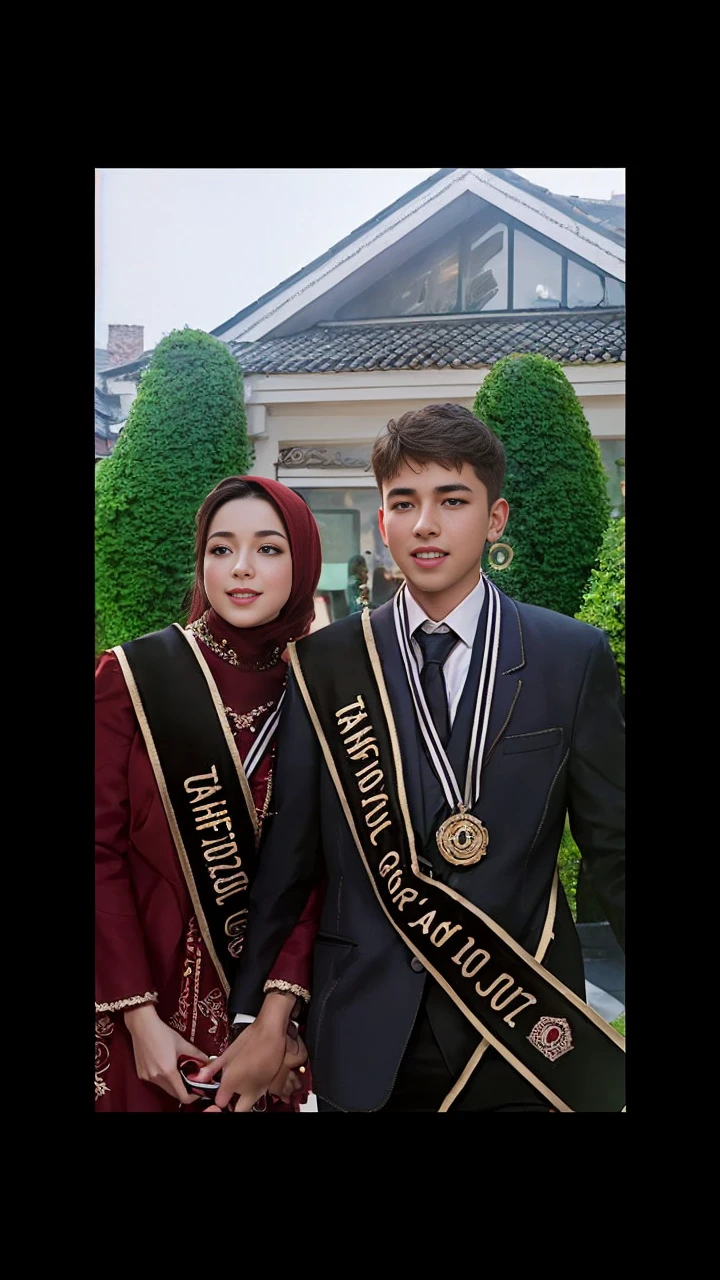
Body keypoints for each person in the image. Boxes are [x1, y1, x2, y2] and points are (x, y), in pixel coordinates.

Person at [198, 404, 625, 1113]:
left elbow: (614, 850)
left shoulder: (570, 658)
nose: (425, 523)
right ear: (382, 523)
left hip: (518, 1029)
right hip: (362, 1036)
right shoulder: (327, 664)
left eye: (452, 500)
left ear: (495, 519)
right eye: (404, 502)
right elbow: (290, 861)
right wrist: (255, 1018)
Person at [95, 475, 323, 1112]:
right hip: (134, 1012)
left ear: (303, 561)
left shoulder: (327, 690)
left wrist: (275, 1022)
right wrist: (139, 1021)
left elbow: (326, 874)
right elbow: (98, 853)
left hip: (264, 1031)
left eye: (269, 549)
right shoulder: (135, 678)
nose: (241, 569)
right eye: (221, 549)